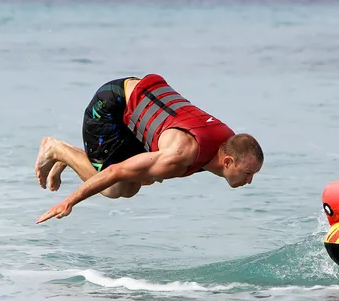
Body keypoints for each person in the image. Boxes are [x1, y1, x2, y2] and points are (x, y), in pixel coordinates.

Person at [34, 73, 264, 224]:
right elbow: (115, 172)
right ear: (228, 162)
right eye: (248, 173)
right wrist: (69, 202)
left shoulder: (228, 144)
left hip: (140, 101)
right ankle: (56, 150)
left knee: (144, 176)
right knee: (120, 188)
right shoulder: (181, 156)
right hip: (111, 106)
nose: (250, 181)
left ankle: (72, 158)